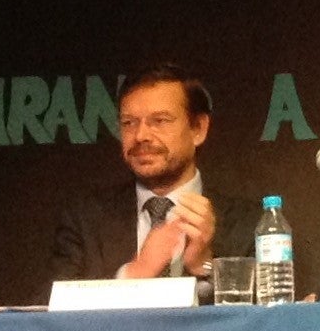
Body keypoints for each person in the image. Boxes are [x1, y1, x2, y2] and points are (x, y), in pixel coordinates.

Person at [50, 63, 256, 290]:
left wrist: (204, 266)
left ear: (198, 129)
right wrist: (135, 273)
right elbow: (47, 312)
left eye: (159, 121)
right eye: (129, 123)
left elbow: (271, 317)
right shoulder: (85, 220)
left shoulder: (250, 224)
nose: (140, 135)